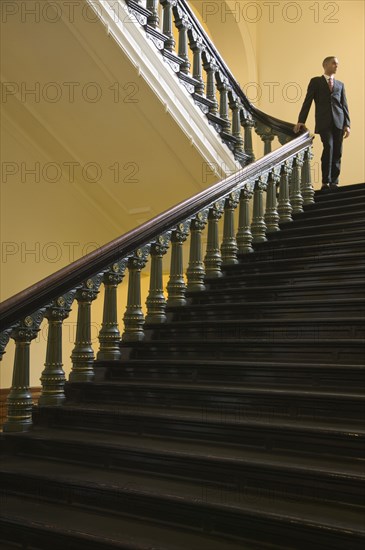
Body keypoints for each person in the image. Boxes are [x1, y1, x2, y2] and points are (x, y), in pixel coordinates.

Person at [293, 56, 350, 191]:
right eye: (334, 63)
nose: (337, 66)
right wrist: (301, 121)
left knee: (338, 151)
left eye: (337, 64)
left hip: (339, 121)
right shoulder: (315, 82)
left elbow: (344, 105)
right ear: (325, 65)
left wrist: (347, 124)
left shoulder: (340, 85)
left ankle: (335, 182)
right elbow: (307, 101)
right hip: (324, 122)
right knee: (328, 147)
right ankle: (326, 181)